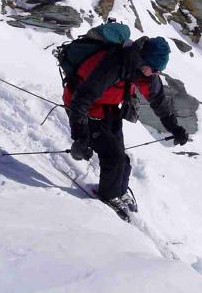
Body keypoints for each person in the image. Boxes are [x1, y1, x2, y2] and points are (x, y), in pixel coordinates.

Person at [63, 35, 189, 216]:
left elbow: (159, 101)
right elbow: (81, 99)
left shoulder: (144, 71)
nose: (155, 73)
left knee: (123, 159)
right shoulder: (114, 65)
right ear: (143, 60)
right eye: (154, 69)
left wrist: (175, 128)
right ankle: (108, 196)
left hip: (108, 107)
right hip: (82, 108)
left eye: (158, 71)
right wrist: (80, 137)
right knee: (113, 158)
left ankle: (119, 192)